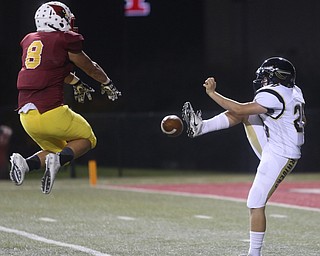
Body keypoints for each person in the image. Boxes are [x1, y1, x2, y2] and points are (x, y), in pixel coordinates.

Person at [182, 57, 306, 256]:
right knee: (246, 113)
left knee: (255, 201)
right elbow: (242, 111)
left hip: (282, 154)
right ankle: (201, 127)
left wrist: (212, 93)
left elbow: (238, 108)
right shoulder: (294, 91)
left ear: (278, 77)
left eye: (266, 75)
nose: (262, 80)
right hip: (275, 145)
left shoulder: (274, 94)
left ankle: (254, 254)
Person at [10, 1, 121, 194]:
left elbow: (51, 69)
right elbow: (89, 67)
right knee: (87, 139)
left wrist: (77, 83)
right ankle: (58, 162)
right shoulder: (62, 40)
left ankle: (25, 164)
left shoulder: (29, 40)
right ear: (56, 19)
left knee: (60, 151)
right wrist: (107, 82)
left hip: (26, 117)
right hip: (51, 111)